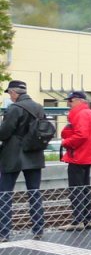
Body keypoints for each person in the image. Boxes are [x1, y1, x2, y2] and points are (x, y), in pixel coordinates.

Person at [0, 80, 46, 241]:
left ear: (14, 92)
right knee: (34, 192)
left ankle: (4, 232)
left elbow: (4, 132)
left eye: (9, 94)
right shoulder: (38, 107)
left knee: (5, 194)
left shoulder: (14, 109)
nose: (10, 97)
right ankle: (38, 229)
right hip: (34, 154)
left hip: (13, 156)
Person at [60, 90, 91, 230]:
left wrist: (66, 142)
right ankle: (88, 219)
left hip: (78, 156)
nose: (68, 103)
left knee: (76, 189)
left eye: (70, 101)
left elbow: (81, 135)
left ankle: (77, 221)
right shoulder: (89, 113)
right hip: (88, 156)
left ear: (78, 100)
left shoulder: (81, 114)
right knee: (84, 188)